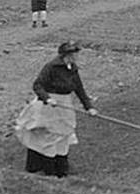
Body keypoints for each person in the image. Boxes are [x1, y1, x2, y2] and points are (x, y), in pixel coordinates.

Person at [15, 41, 96, 178]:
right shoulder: (51, 67)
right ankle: (49, 170)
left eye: (76, 54)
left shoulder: (73, 68)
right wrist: (47, 98)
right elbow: (38, 85)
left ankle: (61, 170)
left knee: (64, 135)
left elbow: (79, 89)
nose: (75, 56)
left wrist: (89, 107)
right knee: (49, 136)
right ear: (65, 55)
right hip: (49, 106)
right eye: (73, 54)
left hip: (65, 105)